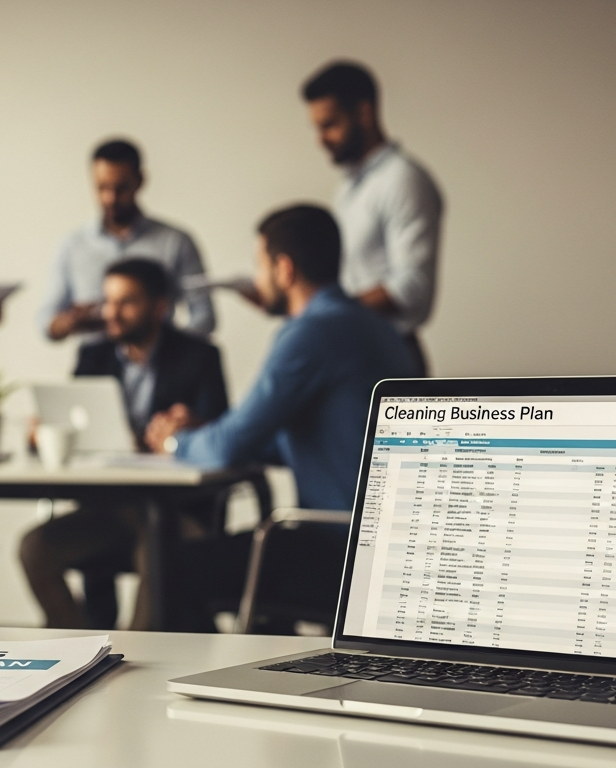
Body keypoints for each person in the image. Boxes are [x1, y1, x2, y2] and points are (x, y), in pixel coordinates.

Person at [144, 204, 414, 633]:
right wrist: (202, 430)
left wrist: (175, 443)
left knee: (176, 568)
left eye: (260, 266)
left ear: (284, 269)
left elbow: (231, 445)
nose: (257, 280)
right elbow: (314, 441)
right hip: (395, 547)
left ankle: (213, 689)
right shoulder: (379, 328)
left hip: (341, 547)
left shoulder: (310, 334)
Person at [20, 258, 229, 630]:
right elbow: (74, 427)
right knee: (35, 548)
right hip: (109, 506)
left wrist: (193, 425)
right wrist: (43, 433)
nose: (111, 313)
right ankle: (81, 652)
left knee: (156, 547)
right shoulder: (93, 355)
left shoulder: (199, 357)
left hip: (174, 511)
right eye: (108, 301)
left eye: (126, 302)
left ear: (160, 306)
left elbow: (221, 435)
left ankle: (132, 659)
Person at [302, 60, 444, 377]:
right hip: (352, 352)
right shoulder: (350, 189)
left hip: (389, 357)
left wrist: (323, 313)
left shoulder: (403, 179)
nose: (321, 139)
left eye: (330, 125)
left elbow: (411, 287)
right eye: (317, 128)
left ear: (364, 113)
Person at [38, 138, 214, 343]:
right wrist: (69, 323)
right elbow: (46, 321)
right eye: (102, 188)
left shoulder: (176, 242)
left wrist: (171, 356)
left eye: (121, 188)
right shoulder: (72, 245)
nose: (111, 198)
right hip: (95, 365)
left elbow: (204, 315)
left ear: (140, 181)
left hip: (160, 368)